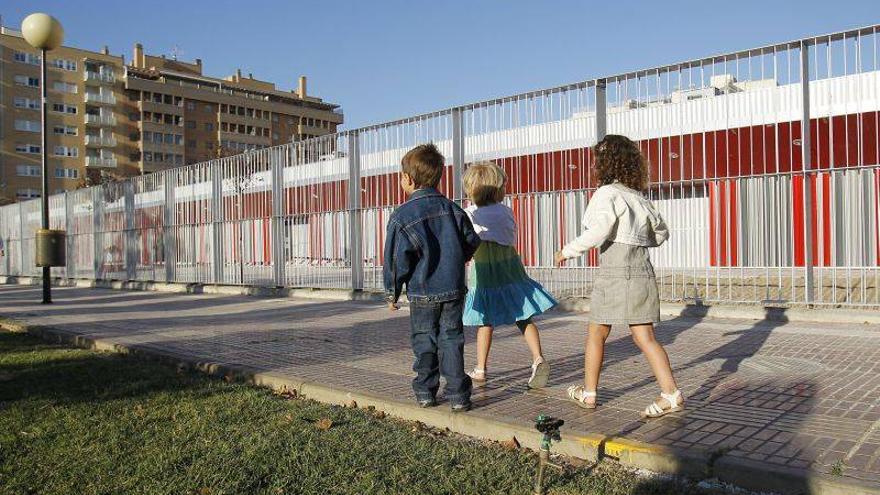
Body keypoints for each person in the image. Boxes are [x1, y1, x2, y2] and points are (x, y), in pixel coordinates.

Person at [554, 134, 683, 419]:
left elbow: (599, 231)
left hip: (614, 274)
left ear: (604, 164)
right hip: (641, 272)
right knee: (646, 337)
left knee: (597, 332)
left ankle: (589, 394)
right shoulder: (639, 198)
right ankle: (670, 393)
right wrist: (639, 237)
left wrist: (567, 251)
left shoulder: (607, 194)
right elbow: (662, 233)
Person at [384, 143, 482, 412]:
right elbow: (472, 241)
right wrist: (458, 257)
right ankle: (459, 396)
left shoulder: (402, 216)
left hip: (421, 292)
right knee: (452, 339)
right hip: (452, 288)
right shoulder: (453, 210)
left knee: (424, 339)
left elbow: (396, 260)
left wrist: (392, 292)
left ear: (408, 179)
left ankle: (426, 392)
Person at [461, 162, 557, 388]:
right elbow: (508, 233)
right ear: (497, 189)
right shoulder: (505, 211)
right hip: (510, 267)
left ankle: (481, 368)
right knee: (523, 315)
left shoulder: (469, 214)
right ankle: (538, 358)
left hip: (483, 271)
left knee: (485, 321)